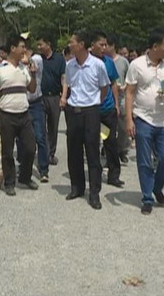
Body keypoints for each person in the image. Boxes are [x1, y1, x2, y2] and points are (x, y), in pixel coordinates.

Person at [125, 28, 164, 215]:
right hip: (143, 118)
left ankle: (157, 187)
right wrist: (129, 120)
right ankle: (147, 198)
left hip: (163, 120)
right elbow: (129, 93)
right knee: (144, 160)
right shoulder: (137, 65)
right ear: (155, 46)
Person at [0, 35, 38, 196]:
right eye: (22, 47)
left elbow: (32, 89)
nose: (24, 50)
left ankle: (25, 177)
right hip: (7, 115)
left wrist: (33, 74)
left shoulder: (24, 69)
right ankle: (9, 182)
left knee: (30, 148)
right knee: (7, 151)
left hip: (24, 115)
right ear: (13, 49)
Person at [62, 30, 110, 210]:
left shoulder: (97, 65)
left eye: (72, 42)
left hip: (91, 111)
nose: (69, 45)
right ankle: (77, 187)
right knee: (73, 151)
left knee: (92, 152)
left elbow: (104, 88)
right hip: (73, 111)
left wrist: (95, 103)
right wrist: (65, 99)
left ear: (81, 45)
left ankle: (94, 193)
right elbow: (68, 83)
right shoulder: (70, 65)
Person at [90, 30, 123, 188]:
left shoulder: (109, 62)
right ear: (92, 45)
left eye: (105, 45)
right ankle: (95, 174)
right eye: (101, 45)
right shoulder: (87, 62)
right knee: (92, 143)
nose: (104, 48)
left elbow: (113, 83)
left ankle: (114, 175)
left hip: (108, 109)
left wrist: (116, 104)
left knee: (110, 142)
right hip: (92, 110)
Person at [22, 42, 50, 183]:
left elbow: (29, 62)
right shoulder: (16, 65)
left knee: (40, 136)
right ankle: (23, 167)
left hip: (36, 103)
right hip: (23, 104)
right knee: (21, 138)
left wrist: (25, 56)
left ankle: (43, 169)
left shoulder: (37, 59)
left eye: (23, 47)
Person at [38, 35, 66, 166]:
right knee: (41, 127)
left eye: (41, 44)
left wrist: (63, 96)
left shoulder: (59, 59)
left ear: (48, 44)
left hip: (55, 97)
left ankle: (51, 154)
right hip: (40, 97)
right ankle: (43, 153)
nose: (39, 47)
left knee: (53, 127)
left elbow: (63, 78)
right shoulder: (38, 59)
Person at [105, 34, 131, 164]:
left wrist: (124, 86)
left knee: (123, 128)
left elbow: (130, 79)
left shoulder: (123, 62)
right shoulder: (102, 61)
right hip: (106, 99)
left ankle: (121, 149)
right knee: (106, 129)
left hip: (121, 98)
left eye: (106, 45)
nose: (104, 48)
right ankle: (107, 151)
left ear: (113, 46)